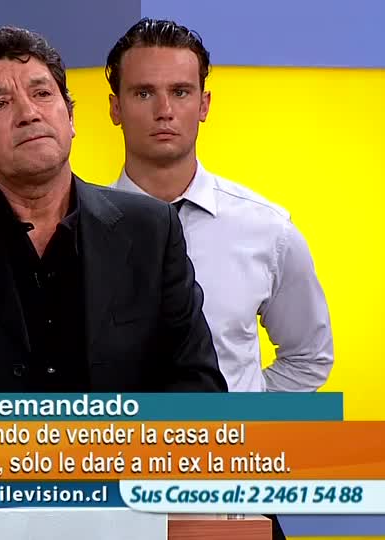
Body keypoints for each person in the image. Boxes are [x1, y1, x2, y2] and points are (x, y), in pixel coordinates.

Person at [0, 25, 228, 412]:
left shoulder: (151, 230)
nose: (28, 114)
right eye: (0, 104)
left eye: (41, 94)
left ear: (70, 117)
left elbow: (198, 387)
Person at [106, 19, 334, 396]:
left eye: (180, 92)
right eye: (144, 93)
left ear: (204, 104)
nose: (164, 110)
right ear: (116, 108)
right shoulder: (76, 229)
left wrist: (243, 416)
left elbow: (309, 357)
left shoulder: (268, 229)